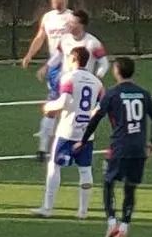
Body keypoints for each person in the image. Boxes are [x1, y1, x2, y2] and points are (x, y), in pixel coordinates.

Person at [83, 56, 152, 237]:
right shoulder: (143, 93)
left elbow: (96, 118)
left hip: (119, 147)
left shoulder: (111, 93)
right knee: (130, 187)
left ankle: (112, 222)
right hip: (138, 148)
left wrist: (84, 139)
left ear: (116, 71)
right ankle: (124, 226)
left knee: (109, 183)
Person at [34, 46, 104, 218]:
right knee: (85, 169)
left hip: (67, 131)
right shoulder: (97, 82)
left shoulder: (69, 78)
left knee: (54, 165)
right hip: (86, 132)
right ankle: (82, 211)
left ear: (73, 59)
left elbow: (63, 101)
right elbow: (102, 106)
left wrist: (48, 106)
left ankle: (47, 208)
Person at [38, 10, 109, 160]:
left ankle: (77, 143)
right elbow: (57, 57)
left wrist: (97, 77)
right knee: (50, 112)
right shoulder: (64, 39)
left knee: (75, 116)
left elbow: (104, 63)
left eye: (72, 22)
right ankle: (43, 149)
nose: (68, 24)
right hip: (64, 83)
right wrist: (46, 67)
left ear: (81, 24)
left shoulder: (92, 43)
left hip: (82, 86)